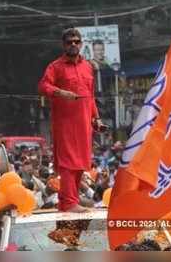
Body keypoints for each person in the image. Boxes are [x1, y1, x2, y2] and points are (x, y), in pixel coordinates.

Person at [38, 28, 104, 213]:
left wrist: (96, 119)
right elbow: (43, 85)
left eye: (76, 41)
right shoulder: (55, 66)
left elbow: (90, 97)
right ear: (64, 45)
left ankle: (71, 200)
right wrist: (60, 92)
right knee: (68, 162)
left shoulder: (88, 67)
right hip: (65, 123)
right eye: (69, 42)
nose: (73, 44)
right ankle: (68, 202)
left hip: (84, 124)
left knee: (81, 163)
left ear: (81, 44)